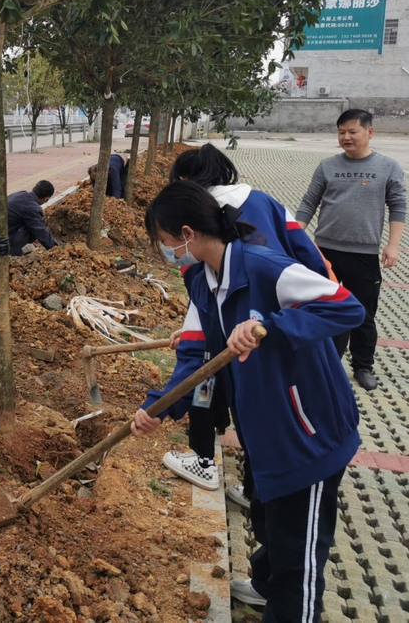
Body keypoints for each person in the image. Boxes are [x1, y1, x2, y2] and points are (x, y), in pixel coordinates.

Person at [135, 181, 363, 619]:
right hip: (265, 433)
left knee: (298, 563)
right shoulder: (202, 281)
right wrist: (159, 407)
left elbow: (346, 307)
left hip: (308, 435)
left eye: (164, 242)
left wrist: (270, 327)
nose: (165, 251)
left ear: (187, 233)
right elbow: (197, 354)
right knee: (274, 536)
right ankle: (268, 593)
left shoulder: (264, 267)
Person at [152, 144, 330, 491]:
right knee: (246, 399)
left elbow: (240, 284)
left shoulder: (213, 219)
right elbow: (307, 260)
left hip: (263, 329)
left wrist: (204, 330)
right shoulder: (262, 201)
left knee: (212, 384)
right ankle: (256, 486)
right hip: (292, 318)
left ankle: (215, 465)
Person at [296, 109, 405, 391]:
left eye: (352, 131)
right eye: (341, 132)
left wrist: (393, 245)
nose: (346, 137)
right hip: (324, 253)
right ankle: (325, 363)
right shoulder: (327, 166)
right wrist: (294, 236)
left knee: (362, 313)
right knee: (323, 310)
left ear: (369, 132)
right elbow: (309, 202)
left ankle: (363, 367)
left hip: (364, 254)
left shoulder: (388, 167)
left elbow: (399, 206)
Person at [0, 180, 58, 256]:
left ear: (34, 188)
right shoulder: (32, 208)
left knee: (27, 223)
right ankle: (12, 253)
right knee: (31, 228)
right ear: (46, 199)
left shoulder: (20, 194)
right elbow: (41, 232)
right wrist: (57, 249)